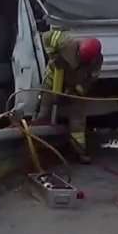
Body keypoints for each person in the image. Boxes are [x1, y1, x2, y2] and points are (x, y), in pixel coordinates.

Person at [35, 29, 104, 163]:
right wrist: (53, 56)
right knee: (44, 113)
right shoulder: (67, 44)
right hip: (53, 81)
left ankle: (80, 151)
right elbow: (46, 36)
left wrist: (81, 89)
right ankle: (36, 147)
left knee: (77, 120)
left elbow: (92, 78)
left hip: (74, 86)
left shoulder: (96, 61)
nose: (81, 60)